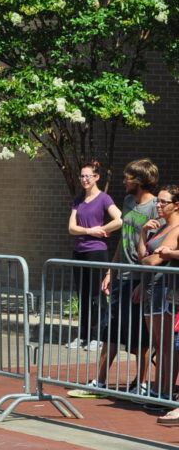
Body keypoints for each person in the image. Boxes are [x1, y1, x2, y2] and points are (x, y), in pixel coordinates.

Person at [72, 159, 160, 397]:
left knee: (139, 336)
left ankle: (140, 383)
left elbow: (155, 247)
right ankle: (99, 382)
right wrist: (111, 270)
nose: (123, 182)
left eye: (127, 178)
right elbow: (124, 240)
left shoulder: (154, 207)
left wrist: (144, 282)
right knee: (110, 329)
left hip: (140, 279)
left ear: (139, 181)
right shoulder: (129, 202)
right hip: (122, 275)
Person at [67, 161, 123, 351]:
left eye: (88, 176)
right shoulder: (78, 200)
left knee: (96, 295)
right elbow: (71, 228)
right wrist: (90, 230)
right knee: (82, 294)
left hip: (96, 252)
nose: (84, 180)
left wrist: (102, 230)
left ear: (96, 177)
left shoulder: (104, 198)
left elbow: (119, 219)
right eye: (82, 176)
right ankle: (82, 336)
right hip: (79, 251)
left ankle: (97, 335)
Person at [134, 184, 179, 403]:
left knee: (166, 345)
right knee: (158, 345)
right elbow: (142, 256)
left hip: (165, 289)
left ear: (176, 205)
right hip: (150, 289)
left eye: (163, 202)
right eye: (157, 201)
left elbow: (154, 260)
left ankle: (164, 392)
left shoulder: (176, 228)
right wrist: (143, 233)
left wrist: (147, 260)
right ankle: (158, 390)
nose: (158, 206)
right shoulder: (159, 227)